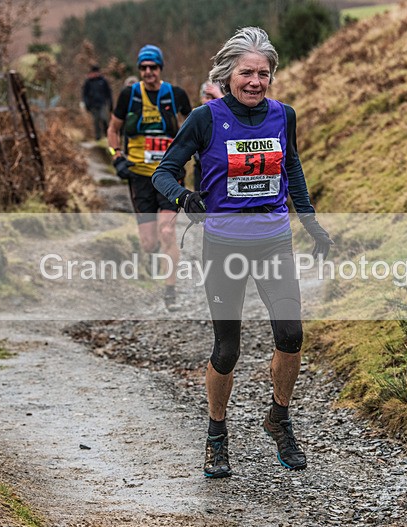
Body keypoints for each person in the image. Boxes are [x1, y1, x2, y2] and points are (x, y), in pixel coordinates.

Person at [152, 27, 333, 478]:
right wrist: (183, 197)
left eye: (263, 73)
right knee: (227, 349)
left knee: (291, 335)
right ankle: (216, 434)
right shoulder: (205, 119)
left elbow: (292, 167)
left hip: (273, 241)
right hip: (224, 246)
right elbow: (164, 172)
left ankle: (279, 418)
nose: (255, 81)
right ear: (227, 74)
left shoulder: (283, 115)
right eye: (246, 73)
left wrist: (311, 222)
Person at [107, 45, 192, 311]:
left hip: (169, 176)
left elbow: (195, 127)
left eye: (152, 67)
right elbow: (113, 130)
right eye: (143, 68)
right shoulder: (129, 95)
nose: (148, 72)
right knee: (148, 243)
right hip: (139, 176)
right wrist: (116, 157)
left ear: (160, 69)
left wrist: (193, 154)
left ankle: (170, 292)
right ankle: (155, 256)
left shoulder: (176, 95)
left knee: (167, 231)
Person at [193, 81, 224, 191]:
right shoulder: (196, 115)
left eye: (214, 97)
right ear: (201, 98)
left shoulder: (226, 115)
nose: (210, 101)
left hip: (222, 172)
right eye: (207, 97)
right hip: (201, 170)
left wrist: (220, 96)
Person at [81, 65, 113, 141]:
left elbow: (108, 93)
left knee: (104, 118)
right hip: (93, 105)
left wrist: (110, 103)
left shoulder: (103, 81)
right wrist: (87, 104)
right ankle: (98, 137)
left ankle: (107, 135)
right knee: (96, 121)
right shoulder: (88, 82)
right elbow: (85, 94)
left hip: (102, 103)